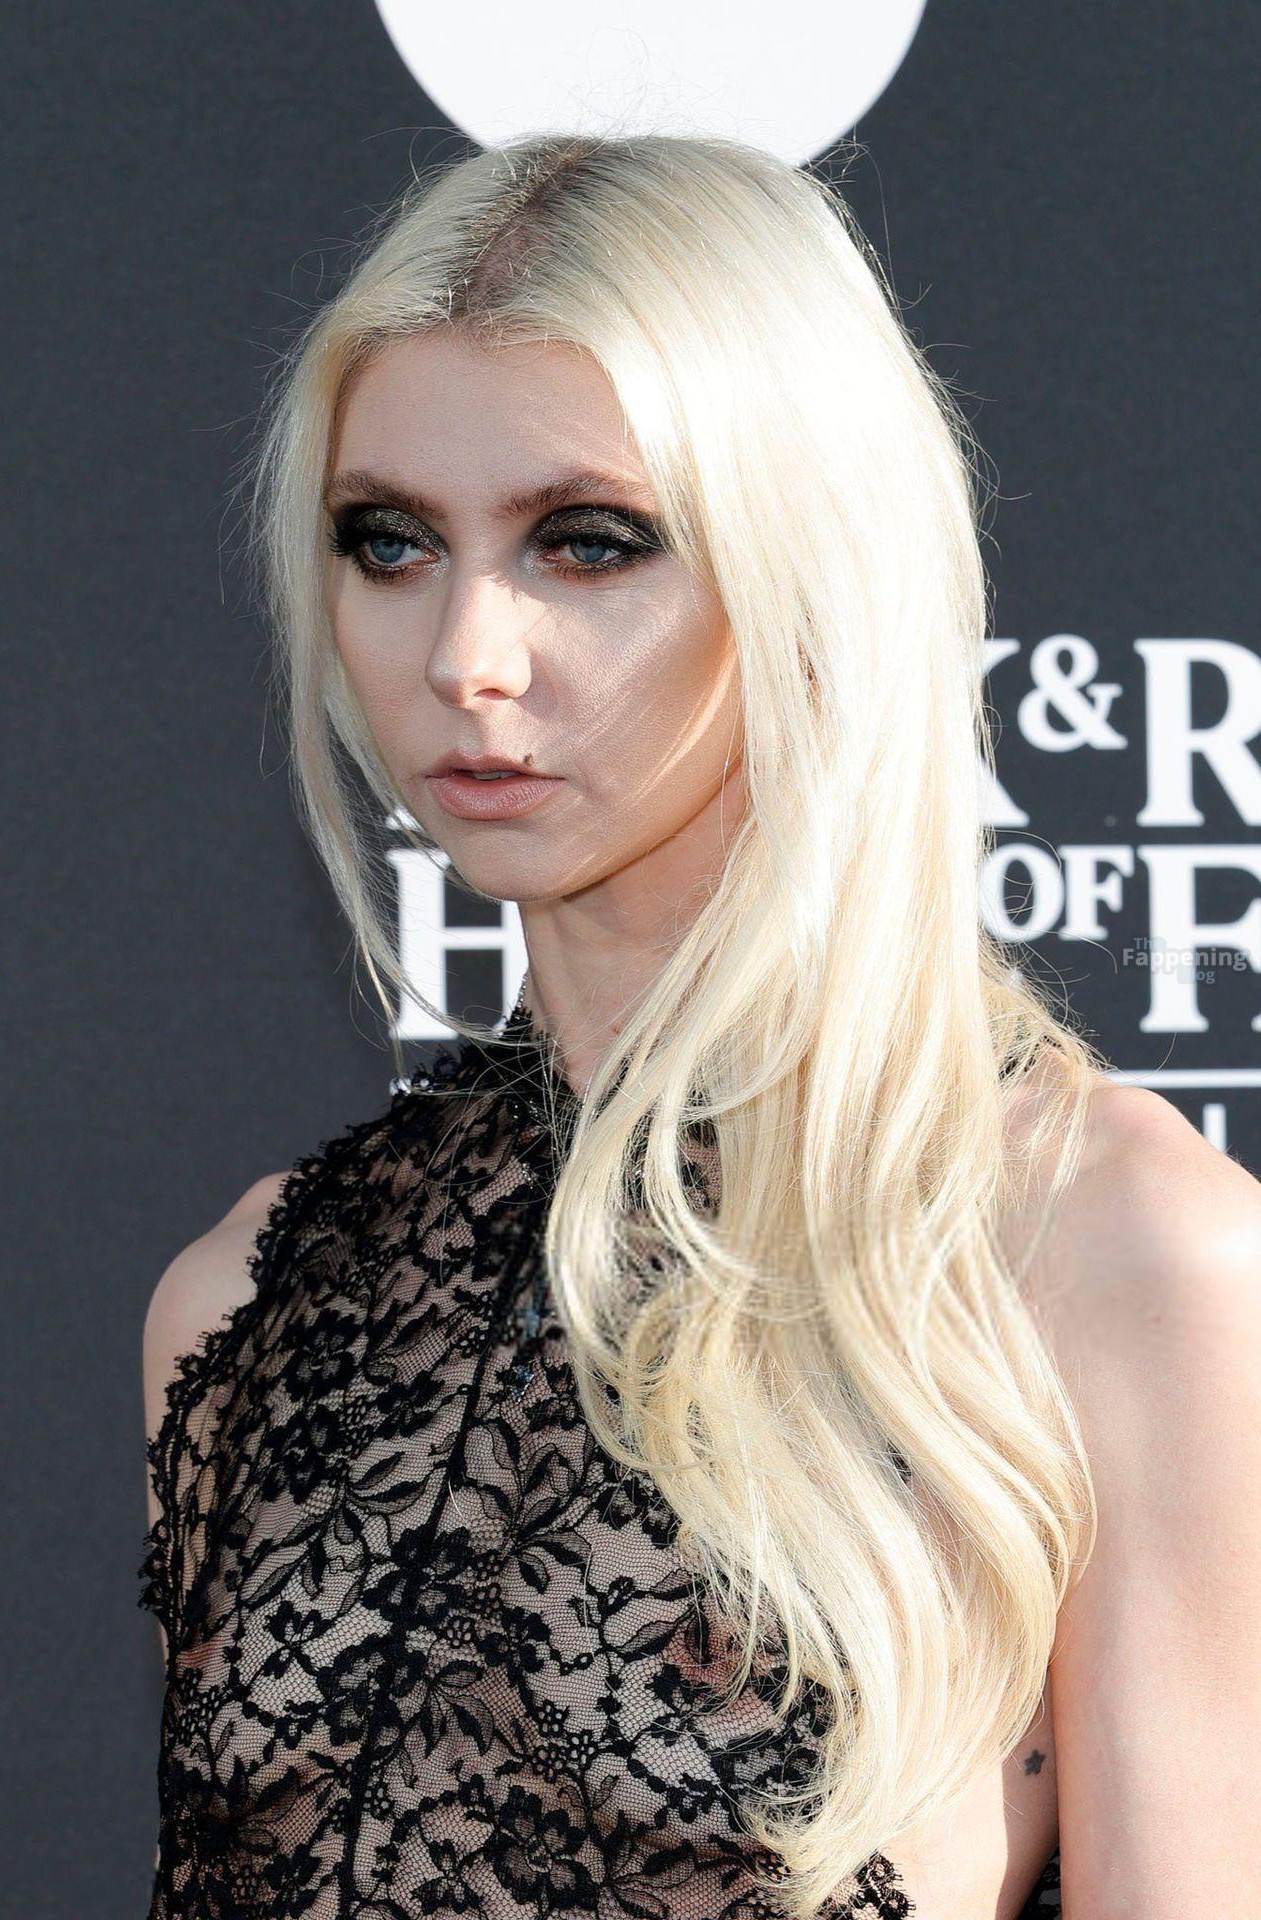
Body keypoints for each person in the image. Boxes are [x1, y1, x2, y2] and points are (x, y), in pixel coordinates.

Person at [138, 133, 1261, 1920]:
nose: (467, 654)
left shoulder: (1110, 1255)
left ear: (807, 562)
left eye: (588, 544)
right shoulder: (248, 1302)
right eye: (390, 543)